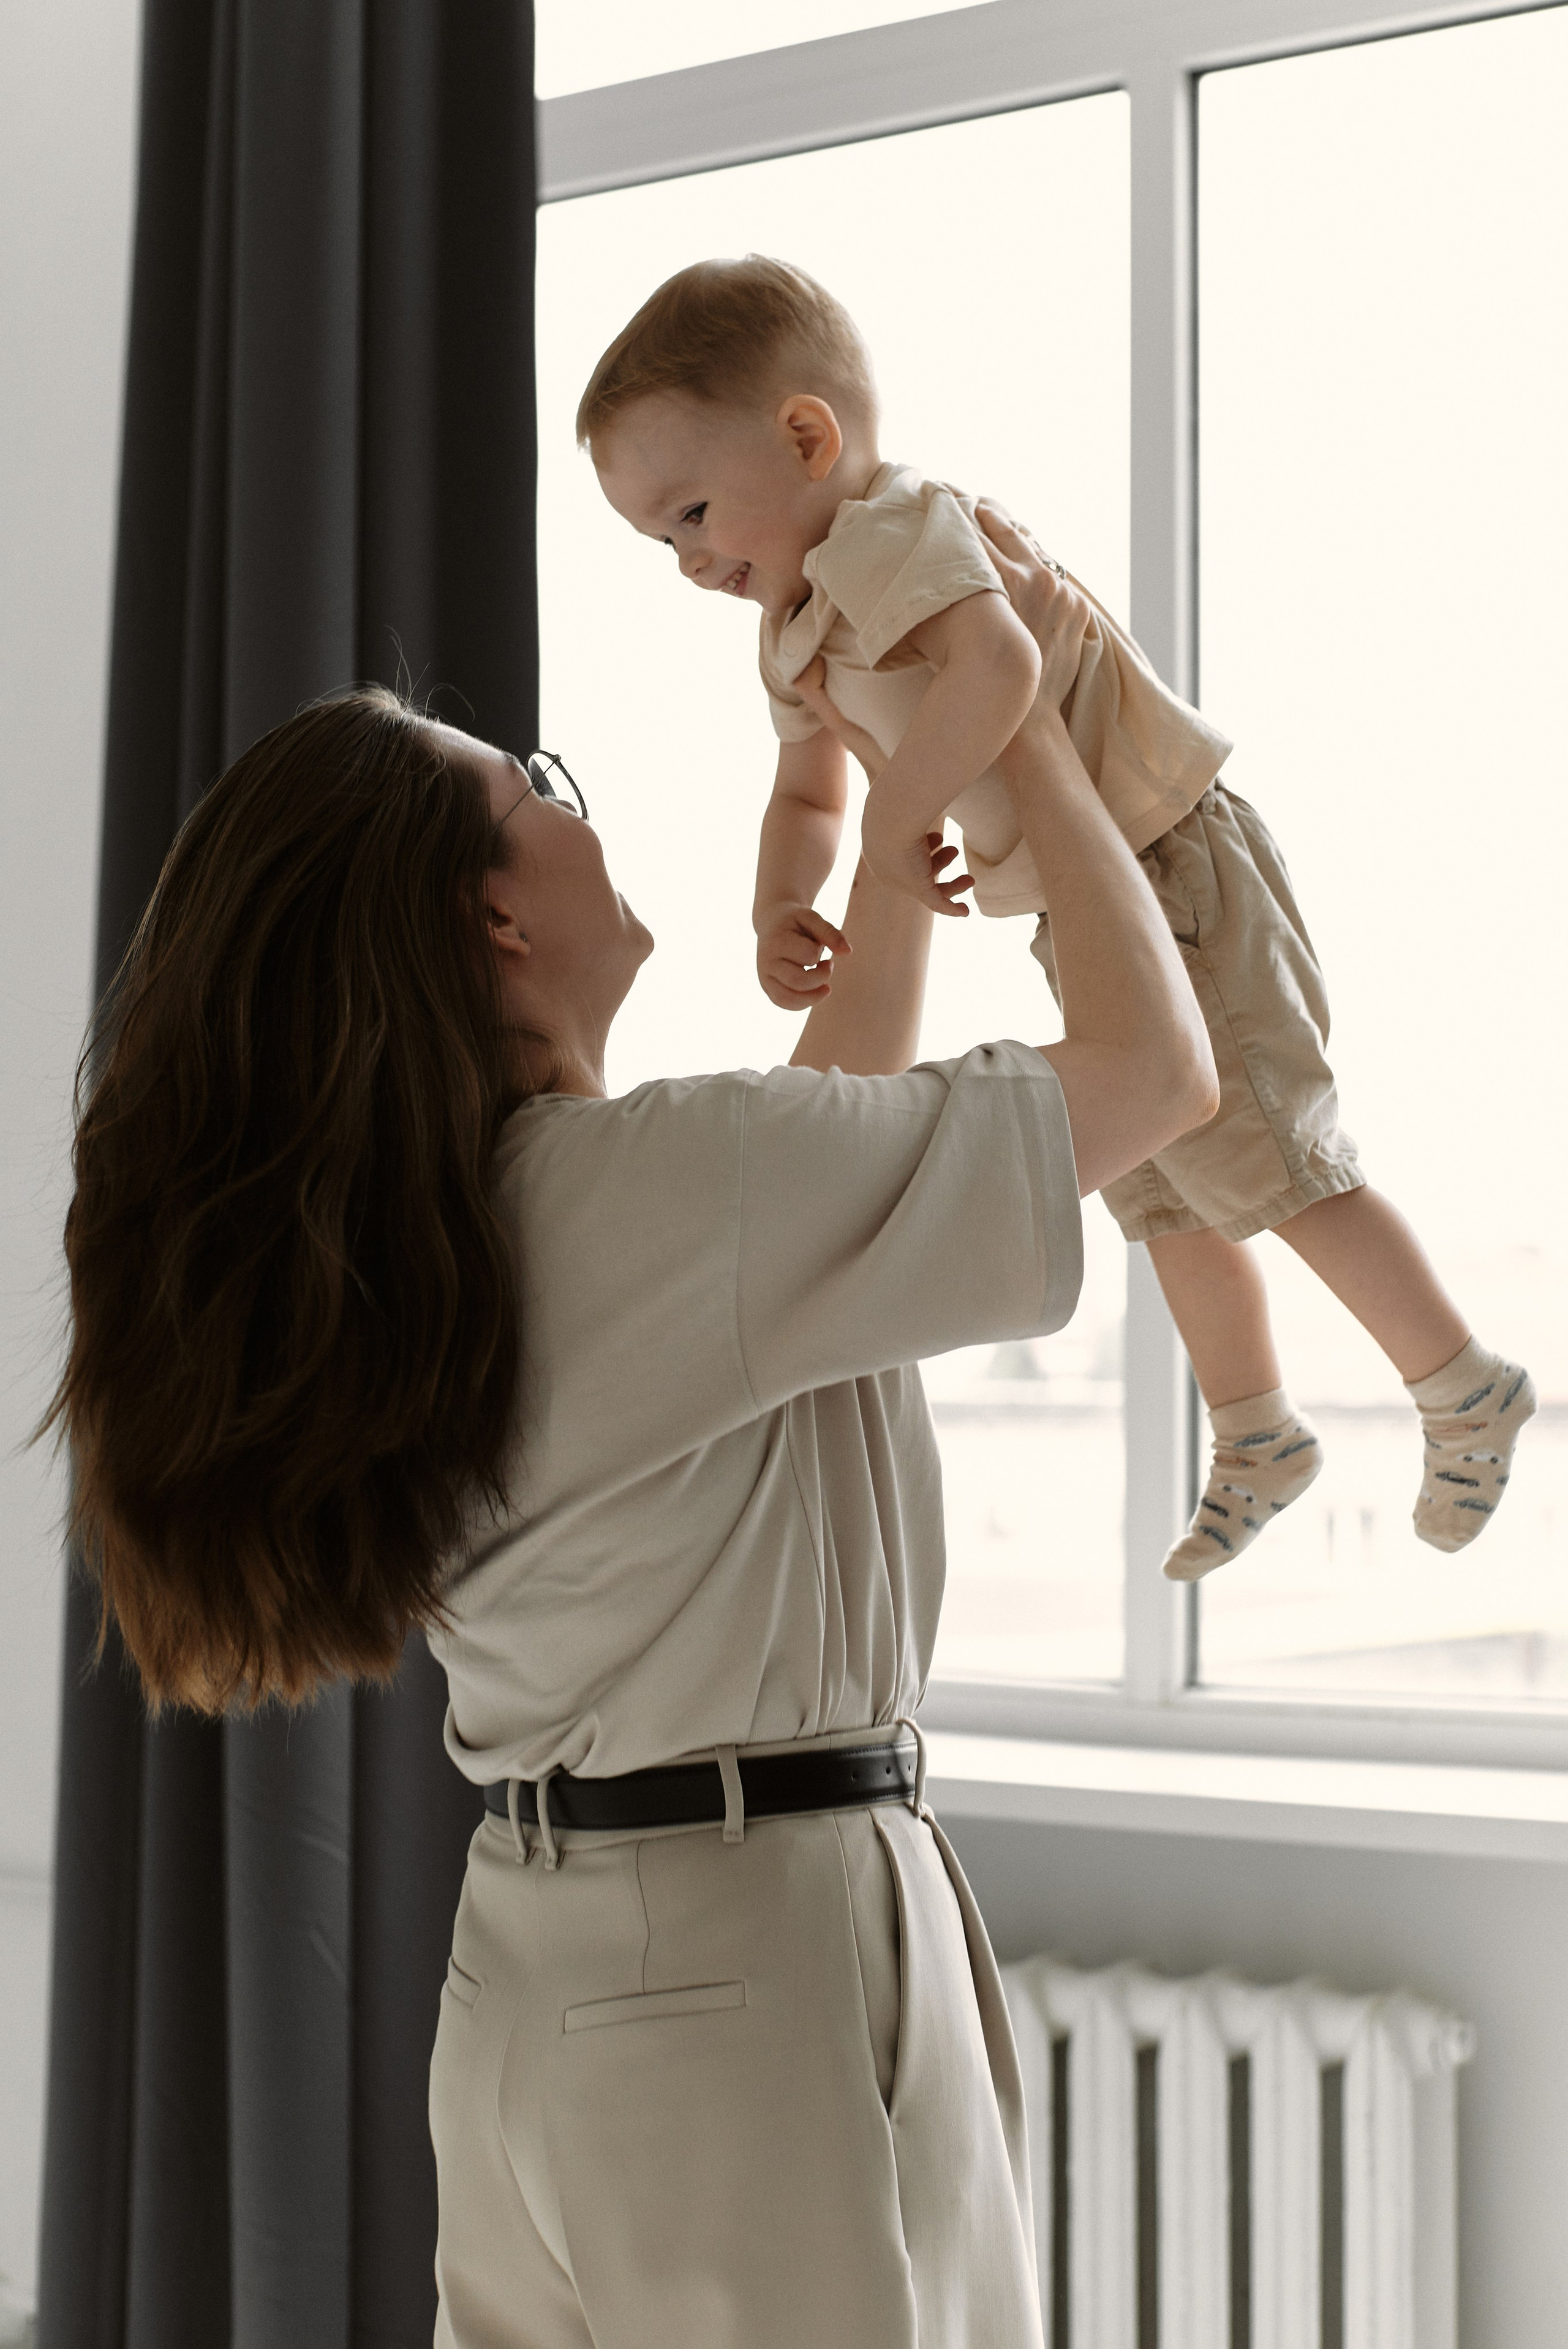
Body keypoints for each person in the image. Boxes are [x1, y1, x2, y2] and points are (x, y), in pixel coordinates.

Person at [47, 519, 1213, 2346]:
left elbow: (812, 1185)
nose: (570, 801)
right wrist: (1028, 718)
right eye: (535, 785)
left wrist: (899, 831)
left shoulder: (466, 1234)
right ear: (496, 919)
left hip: (542, 1975)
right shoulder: (649, 1193)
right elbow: (1156, 1071)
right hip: (751, 1960)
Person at [580, 253, 1536, 1581]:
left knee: (1268, 1146)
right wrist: (778, 900)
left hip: (1172, 852)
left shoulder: (894, 528)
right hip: (1083, 900)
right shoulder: (794, 623)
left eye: (692, 514)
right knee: (1157, 1181)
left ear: (807, 438)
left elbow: (1000, 663)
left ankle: (1460, 1382)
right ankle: (1255, 1428)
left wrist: (899, 816)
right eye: (660, 542)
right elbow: (805, 787)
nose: (688, 562)